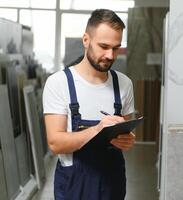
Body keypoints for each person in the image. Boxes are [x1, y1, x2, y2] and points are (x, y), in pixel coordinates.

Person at [42, 9, 135, 200]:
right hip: (74, 186)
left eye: (116, 48)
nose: (110, 55)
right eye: (103, 46)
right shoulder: (59, 83)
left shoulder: (124, 84)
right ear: (86, 40)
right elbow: (55, 143)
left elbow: (125, 136)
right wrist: (97, 130)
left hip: (112, 185)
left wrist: (127, 141)